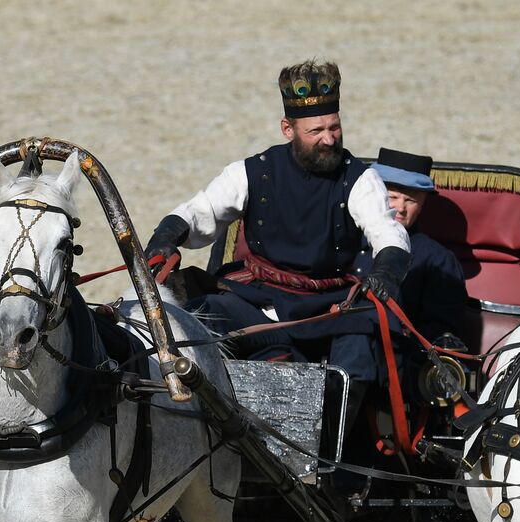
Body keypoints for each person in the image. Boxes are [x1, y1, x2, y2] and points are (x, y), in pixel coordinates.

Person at [144, 60, 411, 402]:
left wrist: (387, 268)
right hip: (256, 301)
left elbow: (387, 231)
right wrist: (166, 239)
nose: (329, 139)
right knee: (194, 324)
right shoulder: (253, 172)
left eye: (334, 128)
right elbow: (200, 211)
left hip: (331, 311)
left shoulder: (359, 179)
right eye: (316, 131)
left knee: (357, 359)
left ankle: (332, 450)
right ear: (288, 129)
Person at [356, 148, 470, 346]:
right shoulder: (344, 239)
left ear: (423, 203)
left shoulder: (438, 259)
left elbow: (439, 329)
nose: (400, 208)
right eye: (392, 197)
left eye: (410, 200)